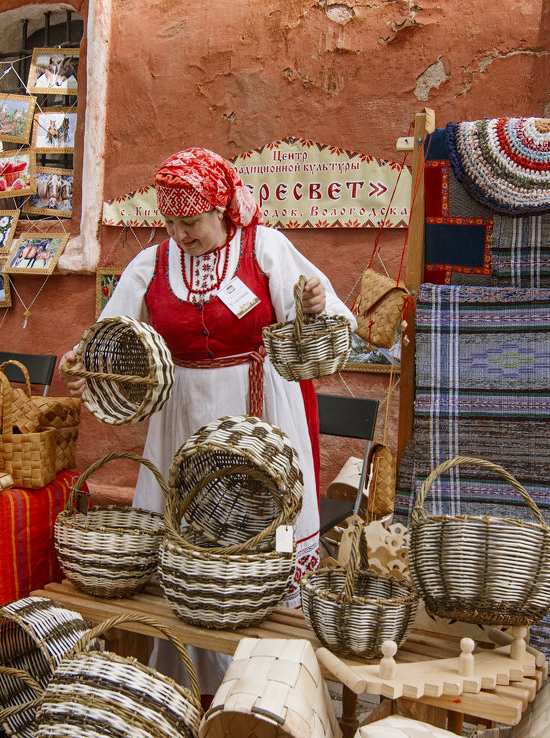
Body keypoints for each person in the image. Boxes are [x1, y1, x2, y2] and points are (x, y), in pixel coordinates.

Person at [62, 146, 354, 695]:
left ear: (222, 208)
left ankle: (270, 687)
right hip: (181, 418)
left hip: (261, 412)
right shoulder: (150, 265)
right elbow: (108, 337)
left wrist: (313, 303)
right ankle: (185, 685)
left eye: (190, 221)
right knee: (185, 539)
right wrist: (83, 365)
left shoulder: (266, 249)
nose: (180, 233)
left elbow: (330, 320)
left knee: (267, 535)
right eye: (170, 221)